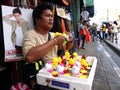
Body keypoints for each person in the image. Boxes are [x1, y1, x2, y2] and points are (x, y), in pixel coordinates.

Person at [22, 2, 73, 89]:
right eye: (47, 16)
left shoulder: (53, 35)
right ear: (37, 19)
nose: (51, 19)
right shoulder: (30, 34)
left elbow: (67, 47)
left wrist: (69, 40)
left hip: (56, 75)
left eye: (52, 16)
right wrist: (55, 41)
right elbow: (29, 57)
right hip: (43, 81)